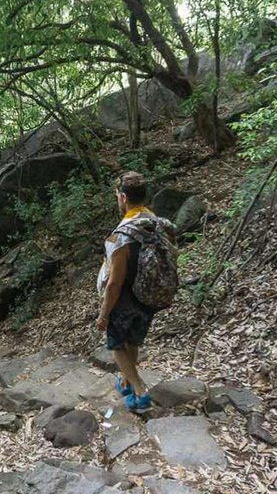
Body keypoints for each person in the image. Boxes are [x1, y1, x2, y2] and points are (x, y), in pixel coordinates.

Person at [96, 171, 174, 413]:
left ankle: (139, 391)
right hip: (150, 294)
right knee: (133, 339)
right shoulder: (158, 224)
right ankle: (127, 380)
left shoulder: (122, 236)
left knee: (117, 344)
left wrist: (104, 313)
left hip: (125, 298)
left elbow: (114, 283)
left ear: (123, 198)